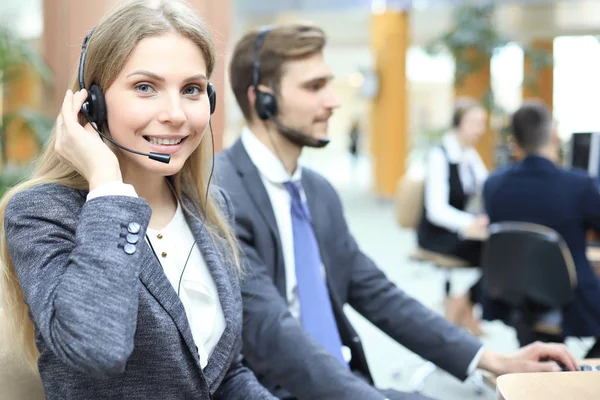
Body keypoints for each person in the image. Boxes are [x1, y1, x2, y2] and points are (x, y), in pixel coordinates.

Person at [214, 23, 579, 400]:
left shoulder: (317, 192)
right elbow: (271, 331)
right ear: (262, 100)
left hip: (342, 381)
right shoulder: (221, 192)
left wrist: (491, 359)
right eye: (314, 87)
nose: (333, 101)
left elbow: (377, 294)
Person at [0, 1, 274, 399]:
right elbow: (96, 349)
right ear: (92, 103)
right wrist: (107, 187)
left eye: (192, 89)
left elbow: (224, 374)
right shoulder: (43, 214)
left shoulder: (211, 208)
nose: (176, 114)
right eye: (145, 87)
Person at [483, 101, 600, 356]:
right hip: (572, 299)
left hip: (516, 295)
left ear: (515, 141)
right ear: (554, 134)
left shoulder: (493, 186)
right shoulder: (579, 186)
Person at [416, 98, 489, 336]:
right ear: (459, 123)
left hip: (460, 229)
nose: (480, 129)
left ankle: (463, 303)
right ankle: (465, 303)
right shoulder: (440, 155)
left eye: (482, 123)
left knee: (502, 248)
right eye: (475, 123)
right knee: (498, 253)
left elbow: (487, 187)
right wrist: (470, 223)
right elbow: (436, 210)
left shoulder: (469, 155)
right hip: (436, 234)